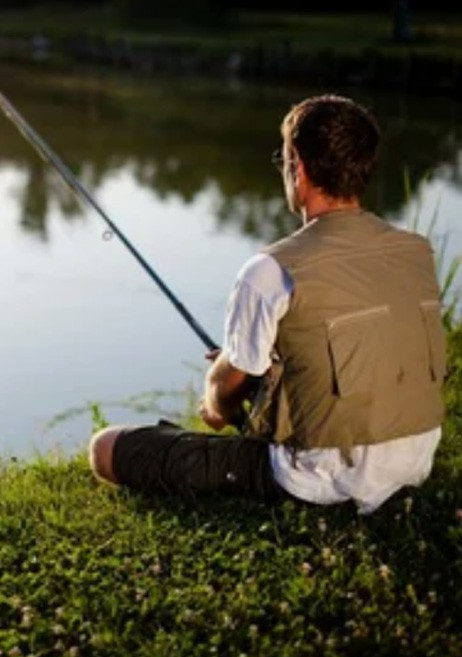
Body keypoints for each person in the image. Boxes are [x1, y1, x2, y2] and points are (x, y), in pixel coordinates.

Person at [88, 94, 446, 513]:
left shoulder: (270, 270)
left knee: (107, 449)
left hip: (320, 480)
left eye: (285, 159)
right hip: (413, 462)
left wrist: (215, 404)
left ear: (299, 168)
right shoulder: (414, 251)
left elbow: (226, 389)